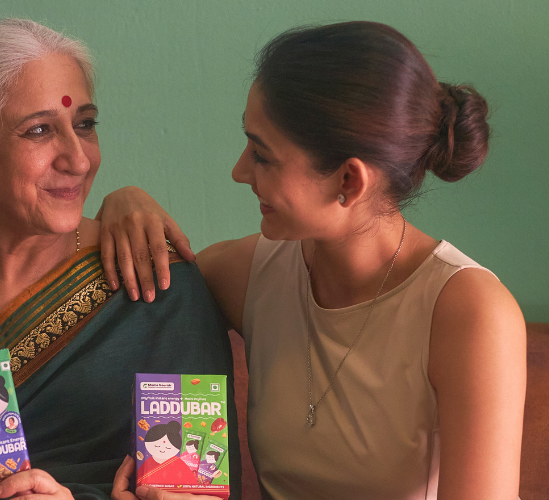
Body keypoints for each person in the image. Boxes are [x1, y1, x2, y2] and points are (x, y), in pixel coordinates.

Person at [103, 21, 526, 499]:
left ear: (348, 180)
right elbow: (132, 318)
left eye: (262, 156)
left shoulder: (470, 313)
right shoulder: (249, 275)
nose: (240, 171)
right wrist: (124, 201)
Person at [0, 19, 240, 500]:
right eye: (39, 131)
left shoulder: (155, 282)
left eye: (86, 125)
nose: (78, 160)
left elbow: (195, 488)